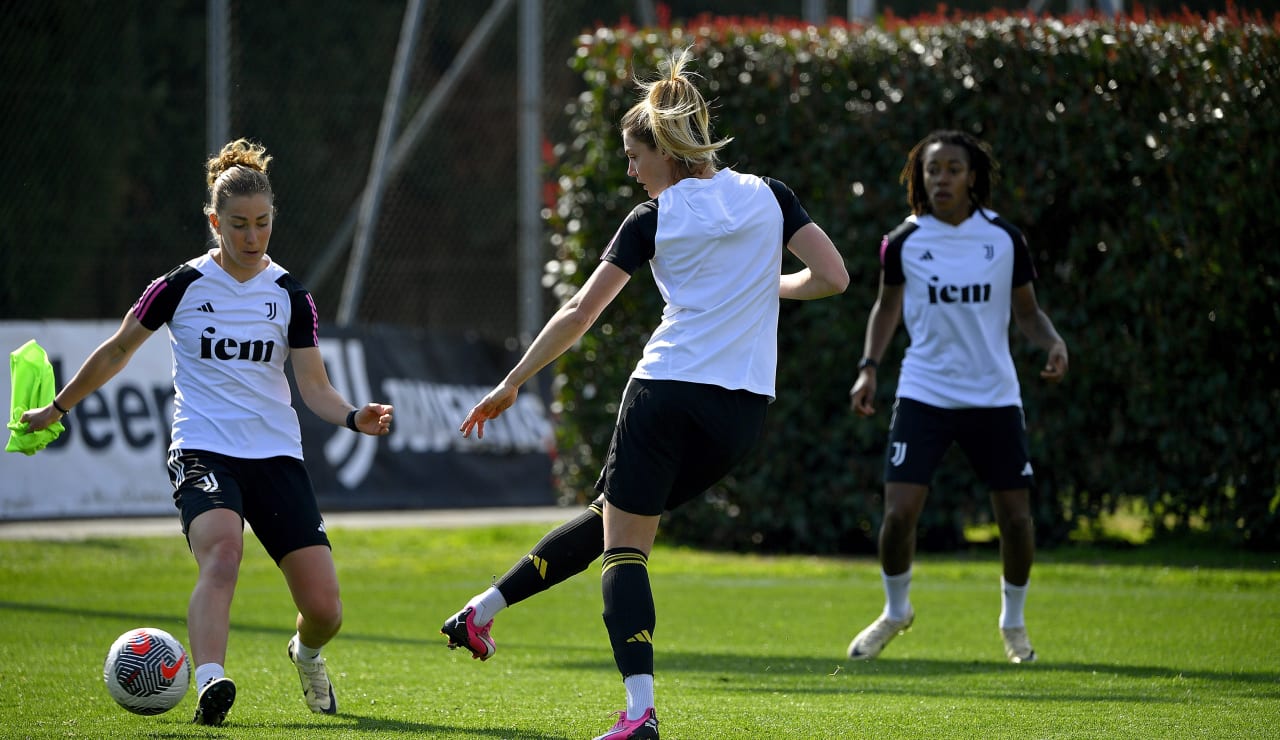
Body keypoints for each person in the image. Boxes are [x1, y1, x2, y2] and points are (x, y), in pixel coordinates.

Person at [447, 49, 848, 740]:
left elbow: (578, 313)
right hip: (742, 413)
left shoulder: (652, 219)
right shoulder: (770, 196)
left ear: (665, 151)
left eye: (635, 157)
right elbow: (833, 276)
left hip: (665, 392)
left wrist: (513, 382)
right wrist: (766, 286)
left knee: (624, 550)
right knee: (612, 516)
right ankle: (481, 612)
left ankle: (640, 713)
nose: (632, 171)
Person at [19, 139, 394, 725]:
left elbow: (314, 386)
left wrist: (352, 416)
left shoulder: (290, 295)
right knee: (223, 554)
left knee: (325, 609)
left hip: (275, 456)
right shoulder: (180, 286)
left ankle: (307, 653)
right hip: (202, 446)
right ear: (214, 222)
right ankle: (211, 680)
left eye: (263, 224)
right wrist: (58, 408)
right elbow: (118, 350)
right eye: (238, 225)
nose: (252, 237)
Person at [844, 129, 1068, 665]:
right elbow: (886, 308)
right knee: (898, 514)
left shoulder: (1004, 239)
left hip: (994, 395)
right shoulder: (904, 241)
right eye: (931, 169)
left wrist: (1053, 340)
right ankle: (896, 611)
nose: (940, 178)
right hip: (924, 392)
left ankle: (1013, 624)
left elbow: (1028, 312)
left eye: (952, 169)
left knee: (1015, 519)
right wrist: (869, 368)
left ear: (973, 177)